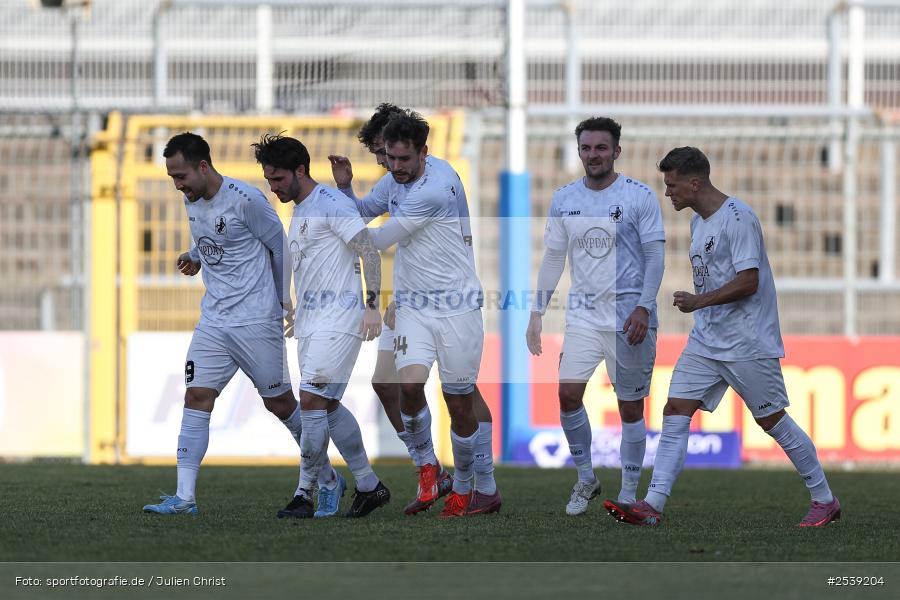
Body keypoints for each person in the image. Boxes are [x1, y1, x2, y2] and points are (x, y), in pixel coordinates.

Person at [603, 146, 841, 527]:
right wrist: (703, 309)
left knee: (773, 420)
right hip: (707, 340)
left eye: (673, 185)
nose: (668, 192)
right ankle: (653, 505)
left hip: (746, 340)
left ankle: (824, 499)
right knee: (675, 408)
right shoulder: (698, 223)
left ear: (695, 184)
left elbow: (749, 281)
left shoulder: (738, 218)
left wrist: (699, 301)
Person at [143, 132, 337, 516]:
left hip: (256, 319)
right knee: (197, 396)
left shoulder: (246, 199)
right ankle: (185, 498)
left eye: (181, 176)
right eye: (172, 178)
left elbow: (279, 247)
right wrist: (196, 255)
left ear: (203, 167)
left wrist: (283, 302)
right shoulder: (191, 198)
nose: (178, 185)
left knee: (280, 404)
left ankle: (328, 478)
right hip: (214, 320)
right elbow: (217, 238)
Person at [328, 105, 500, 516]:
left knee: (460, 397)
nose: (391, 165)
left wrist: (323, 224)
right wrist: (345, 190)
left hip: (455, 304)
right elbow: (363, 212)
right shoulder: (396, 178)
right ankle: (430, 468)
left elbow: (378, 238)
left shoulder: (433, 188)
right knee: (403, 385)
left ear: (422, 151)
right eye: (386, 156)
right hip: (412, 304)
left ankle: (476, 484)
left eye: (397, 157)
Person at [526, 117, 665, 516]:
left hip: (629, 318)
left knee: (630, 407)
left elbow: (655, 256)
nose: (593, 155)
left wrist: (644, 306)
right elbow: (554, 257)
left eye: (601, 148)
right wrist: (537, 311)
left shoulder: (639, 196)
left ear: (616, 151)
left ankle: (628, 493)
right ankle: (586, 478)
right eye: (586, 148)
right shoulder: (564, 198)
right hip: (584, 317)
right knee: (568, 394)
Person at [254, 133, 391, 519]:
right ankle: (369, 485)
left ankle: (305, 493)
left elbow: (368, 251)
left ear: (300, 170)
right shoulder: (301, 210)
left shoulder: (330, 203)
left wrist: (372, 306)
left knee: (312, 400)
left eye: (278, 178)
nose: (273, 187)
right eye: (269, 180)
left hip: (341, 319)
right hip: (313, 322)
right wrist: (296, 310)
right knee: (326, 406)